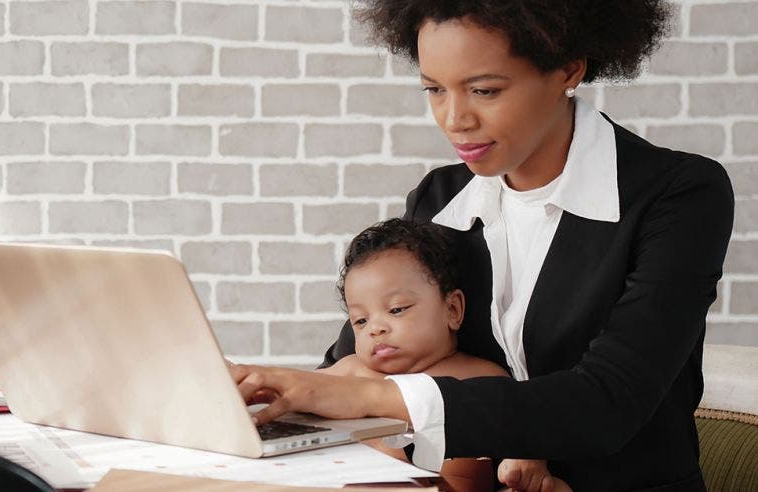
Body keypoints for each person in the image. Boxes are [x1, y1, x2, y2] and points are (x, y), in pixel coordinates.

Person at [230, 1, 734, 490]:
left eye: (484, 90)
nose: (454, 119)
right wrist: (271, 395)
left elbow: (608, 403)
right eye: (433, 90)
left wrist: (369, 398)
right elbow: (361, 360)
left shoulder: (677, 195)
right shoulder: (442, 198)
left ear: (567, 69)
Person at [318, 218, 570, 492]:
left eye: (397, 309)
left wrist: (525, 461)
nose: (375, 329)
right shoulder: (351, 372)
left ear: (452, 310)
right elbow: (303, 395)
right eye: (360, 321)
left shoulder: (482, 378)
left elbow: (522, 426)